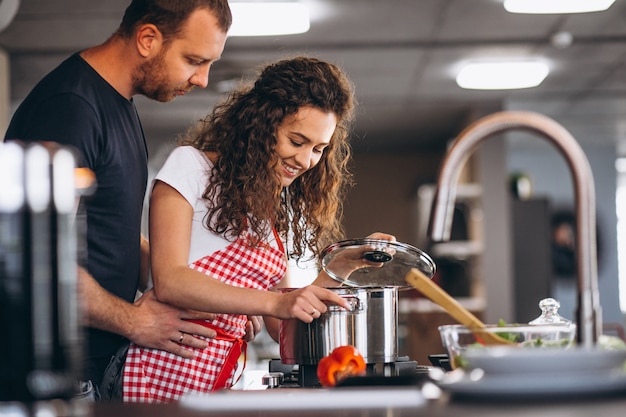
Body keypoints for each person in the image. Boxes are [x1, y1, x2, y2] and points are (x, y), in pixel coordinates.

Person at [3, 0, 242, 399]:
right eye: (194, 60)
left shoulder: (120, 105)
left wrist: (212, 299)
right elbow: (39, 259)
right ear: (147, 38)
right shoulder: (70, 108)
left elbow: (113, 234)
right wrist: (136, 321)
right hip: (61, 375)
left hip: (98, 365)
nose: (202, 79)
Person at [122, 56, 396, 402]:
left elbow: (282, 327)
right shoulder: (189, 167)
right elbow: (171, 280)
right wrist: (270, 303)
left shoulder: (272, 207)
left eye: (319, 149)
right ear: (261, 123)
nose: (306, 160)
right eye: (296, 141)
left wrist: (342, 265)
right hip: (160, 375)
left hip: (218, 381)